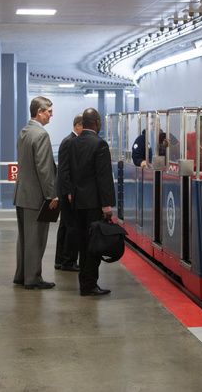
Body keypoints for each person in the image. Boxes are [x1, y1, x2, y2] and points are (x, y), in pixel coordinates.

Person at [12, 96, 59, 290]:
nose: (51, 115)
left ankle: (22, 274)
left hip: (22, 194)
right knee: (36, 239)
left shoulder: (24, 131)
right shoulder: (41, 135)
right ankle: (33, 278)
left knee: (24, 237)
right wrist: (51, 195)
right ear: (39, 112)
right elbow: (44, 168)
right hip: (36, 197)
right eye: (49, 111)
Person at [70, 107, 115, 297]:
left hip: (77, 203)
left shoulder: (73, 143)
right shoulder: (100, 145)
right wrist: (107, 206)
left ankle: (84, 283)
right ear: (97, 123)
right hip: (94, 204)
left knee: (82, 243)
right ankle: (90, 285)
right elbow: (103, 177)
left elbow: (69, 172)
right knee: (94, 246)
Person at [54, 114, 83, 272]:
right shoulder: (70, 142)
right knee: (72, 227)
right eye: (83, 127)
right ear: (77, 125)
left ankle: (60, 260)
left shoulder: (69, 141)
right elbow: (64, 170)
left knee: (65, 226)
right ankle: (68, 261)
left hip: (65, 191)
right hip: (67, 192)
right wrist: (69, 191)